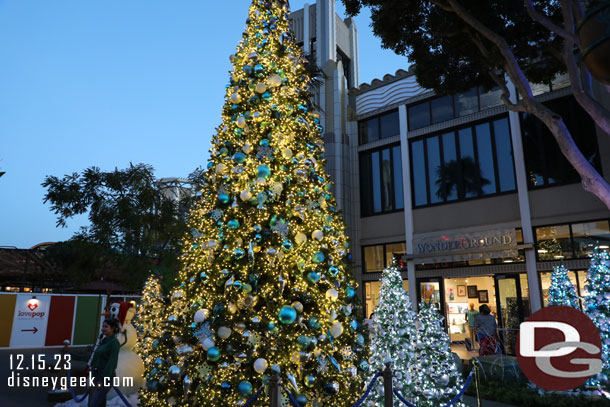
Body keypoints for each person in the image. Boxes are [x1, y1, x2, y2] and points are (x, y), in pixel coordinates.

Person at [88, 318, 121, 407]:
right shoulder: (104, 341)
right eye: (103, 326)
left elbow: (111, 362)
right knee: (100, 402)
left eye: (106, 327)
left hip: (106, 375)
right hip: (97, 373)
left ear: (113, 328)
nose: (103, 328)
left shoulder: (114, 343)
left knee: (94, 403)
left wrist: (103, 380)